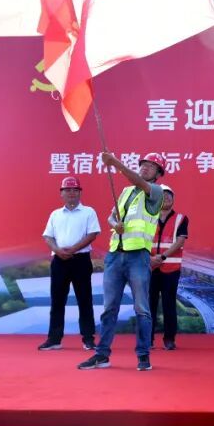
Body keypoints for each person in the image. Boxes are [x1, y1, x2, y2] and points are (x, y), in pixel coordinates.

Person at [78, 152, 165, 372]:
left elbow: (137, 180)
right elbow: (111, 216)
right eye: (144, 164)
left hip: (138, 256)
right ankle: (102, 354)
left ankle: (143, 355)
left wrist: (115, 163)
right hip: (115, 254)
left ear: (158, 173)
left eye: (152, 166)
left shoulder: (157, 192)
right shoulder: (126, 192)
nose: (145, 167)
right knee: (109, 308)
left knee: (141, 308)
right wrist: (114, 224)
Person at [38, 176, 100, 351]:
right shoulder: (55, 214)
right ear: (62, 193)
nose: (71, 193)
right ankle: (54, 339)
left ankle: (88, 339)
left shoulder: (88, 212)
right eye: (67, 190)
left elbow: (92, 234)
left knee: (84, 299)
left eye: (75, 190)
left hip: (80, 260)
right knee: (57, 300)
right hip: (59, 261)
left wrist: (72, 249)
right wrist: (57, 250)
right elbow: (48, 236)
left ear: (80, 193)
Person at [148, 184, 188, 351]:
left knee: (169, 304)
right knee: (148, 304)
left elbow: (180, 241)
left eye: (169, 196)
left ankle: (169, 339)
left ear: (173, 199)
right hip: (150, 267)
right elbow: (141, 239)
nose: (166, 198)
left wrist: (162, 257)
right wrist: (150, 259)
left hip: (170, 268)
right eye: (163, 196)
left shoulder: (181, 218)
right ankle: (147, 339)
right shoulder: (148, 217)